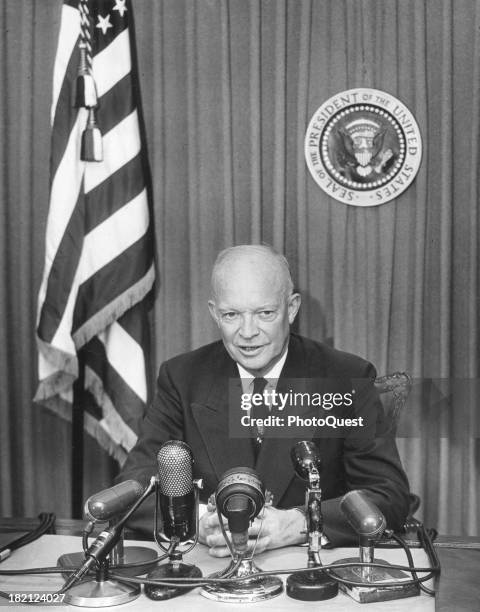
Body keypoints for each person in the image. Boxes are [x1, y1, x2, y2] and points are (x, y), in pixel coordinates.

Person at [117, 244, 411, 555]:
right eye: (232, 314)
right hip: (212, 571)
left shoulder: (346, 377)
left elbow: (387, 496)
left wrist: (300, 523)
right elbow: (134, 488)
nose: (247, 332)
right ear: (214, 313)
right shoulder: (182, 377)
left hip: (306, 575)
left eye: (265, 313)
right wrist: (199, 521)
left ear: (292, 308)